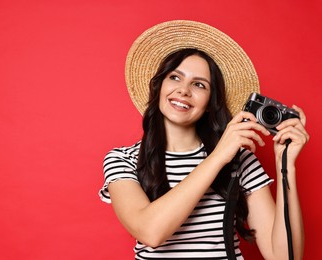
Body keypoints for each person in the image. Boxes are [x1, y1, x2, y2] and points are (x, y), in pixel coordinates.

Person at [99, 20, 309, 259]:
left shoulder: (240, 160)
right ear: (158, 87)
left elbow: (284, 257)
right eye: (175, 77)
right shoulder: (122, 159)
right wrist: (218, 156)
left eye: (199, 84)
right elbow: (150, 232)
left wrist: (286, 165)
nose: (184, 90)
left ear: (210, 104)